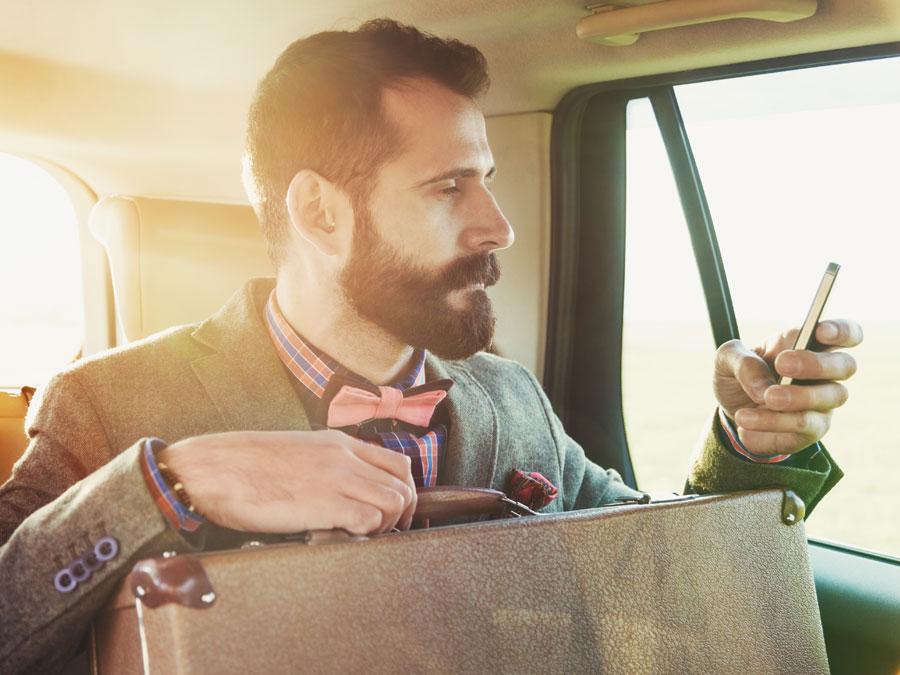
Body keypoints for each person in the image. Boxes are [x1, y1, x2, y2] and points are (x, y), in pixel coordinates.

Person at [0, 18, 861, 674]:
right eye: (451, 186)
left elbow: (648, 580)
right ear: (321, 213)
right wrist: (174, 482)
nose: (500, 225)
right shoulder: (106, 404)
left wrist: (754, 444)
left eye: (486, 178)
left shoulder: (511, 397)